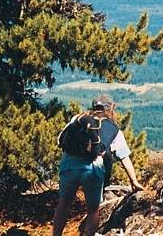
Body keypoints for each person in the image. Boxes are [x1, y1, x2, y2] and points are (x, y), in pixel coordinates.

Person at [52, 94, 144, 236]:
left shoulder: (78, 118)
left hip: (69, 162)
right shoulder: (113, 128)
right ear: (110, 109)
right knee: (93, 209)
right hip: (93, 167)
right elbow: (124, 157)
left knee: (63, 203)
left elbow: (62, 139)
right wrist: (134, 182)